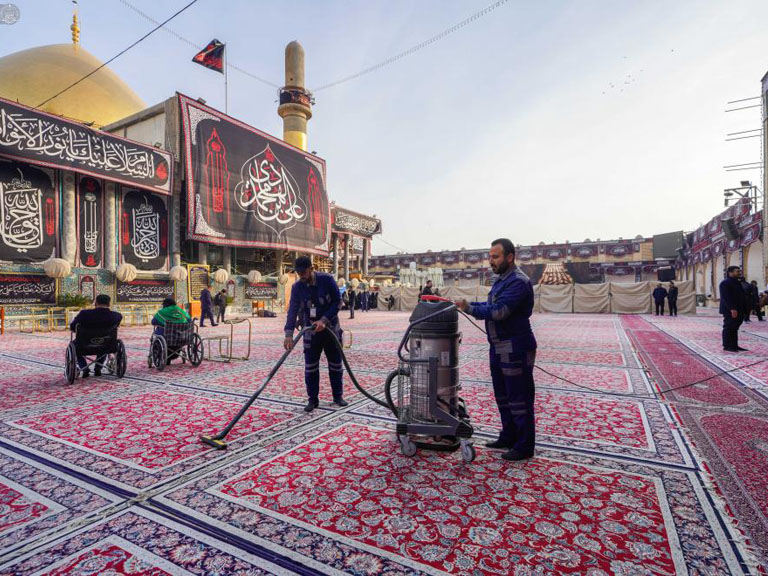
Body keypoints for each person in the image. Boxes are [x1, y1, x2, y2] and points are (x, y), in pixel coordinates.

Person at [455, 238, 537, 461]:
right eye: (490, 256)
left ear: (509, 257)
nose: (490, 261)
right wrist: (467, 306)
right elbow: (489, 306)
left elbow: (500, 311)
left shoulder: (518, 282)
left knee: (519, 397)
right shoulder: (502, 280)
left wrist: (471, 308)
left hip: (516, 346)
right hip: (499, 347)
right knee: (504, 396)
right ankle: (509, 436)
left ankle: (524, 445)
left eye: (495, 256)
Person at [284, 256, 347, 412]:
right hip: (311, 332)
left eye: (304, 272)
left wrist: (324, 320)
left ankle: (337, 396)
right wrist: (288, 333)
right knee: (310, 367)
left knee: (336, 365)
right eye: (299, 273)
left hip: (331, 329)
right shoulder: (298, 287)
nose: (301, 276)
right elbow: (292, 309)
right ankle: (312, 400)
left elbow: (338, 302)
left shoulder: (327, 280)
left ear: (312, 269)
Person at [69, 294, 123, 377]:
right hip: (107, 345)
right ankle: (98, 368)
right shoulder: (116, 316)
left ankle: (84, 367)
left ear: (96, 303)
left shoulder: (84, 314)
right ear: (109, 304)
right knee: (104, 344)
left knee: (74, 346)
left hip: (84, 344)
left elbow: (73, 327)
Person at [720, 266, 748, 352]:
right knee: (729, 326)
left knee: (735, 327)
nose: (739, 273)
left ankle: (734, 345)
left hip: (739, 308)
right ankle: (727, 345)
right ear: (730, 272)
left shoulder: (736, 282)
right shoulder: (725, 283)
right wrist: (732, 309)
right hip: (731, 310)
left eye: (739, 271)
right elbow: (726, 298)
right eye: (737, 271)